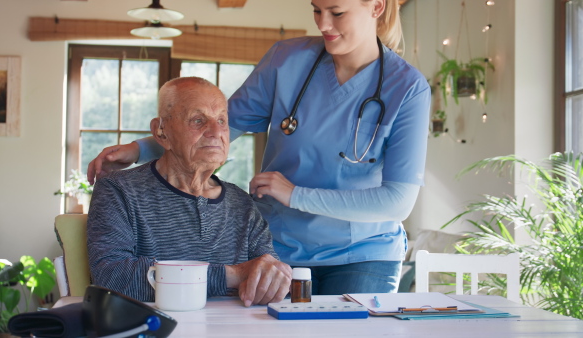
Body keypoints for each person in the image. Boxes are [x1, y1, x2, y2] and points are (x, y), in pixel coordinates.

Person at [87, 0, 430, 295]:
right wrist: (138, 150)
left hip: (363, 254)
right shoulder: (287, 60)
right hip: (281, 248)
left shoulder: (408, 88)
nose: (323, 24)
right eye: (316, 10)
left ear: (377, 6)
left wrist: (295, 194)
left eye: (337, 12)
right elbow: (218, 126)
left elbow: (398, 201)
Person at [87, 77, 292, 307]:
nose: (216, 132)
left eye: (222, 120)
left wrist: (273, 279)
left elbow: (268, 276)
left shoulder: (241, 203)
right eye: (198, 120)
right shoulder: (118, 190)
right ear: (161, 132)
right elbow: (112, 278)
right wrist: (233, 275)